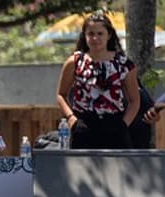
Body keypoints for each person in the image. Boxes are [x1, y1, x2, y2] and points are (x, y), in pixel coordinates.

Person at [55, 12, 140, 150]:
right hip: (84, 126)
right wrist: (72, 120)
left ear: (109, 35)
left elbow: (134, 100)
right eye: (91, 34)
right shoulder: (75, 62)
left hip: (114, 126)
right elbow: (61, 94)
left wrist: (124, 124)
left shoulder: (123, 64)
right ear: (85, 36)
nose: (95, 38)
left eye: (100, 33)